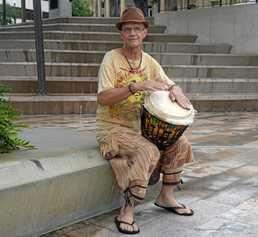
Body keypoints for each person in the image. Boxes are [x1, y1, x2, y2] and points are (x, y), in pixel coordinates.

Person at [96, 7, 194, 235]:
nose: (132, 33)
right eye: (127, 29)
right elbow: (102, 98)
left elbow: (170, 83)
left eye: (137, 29)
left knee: (181, 143)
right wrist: (135, 86)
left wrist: (176, 90)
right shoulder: (111, 58)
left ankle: (166, 196)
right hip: (112, 129)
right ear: (122, 33)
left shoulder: (149, 61)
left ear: (145, 32)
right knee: (148, 150)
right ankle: (127, 210)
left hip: (139, 129)